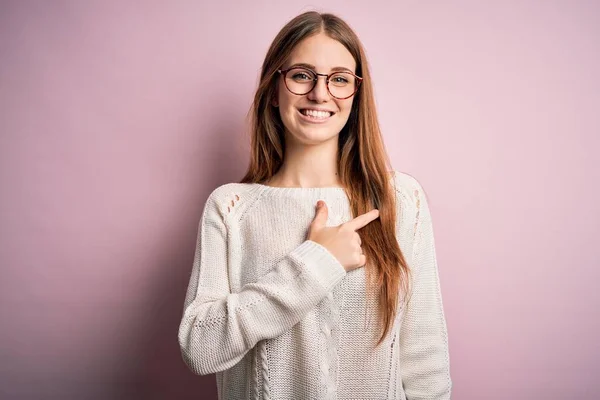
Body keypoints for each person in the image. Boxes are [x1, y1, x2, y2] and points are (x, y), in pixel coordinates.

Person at [178, 10, 452, 400]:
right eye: (302, 75)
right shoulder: (231, 208)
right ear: (274, 89)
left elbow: (426, 362)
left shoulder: (401, 201)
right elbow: (199, 347)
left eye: (339, 79)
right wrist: (316, 263)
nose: (320, 94)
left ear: (356, 96)